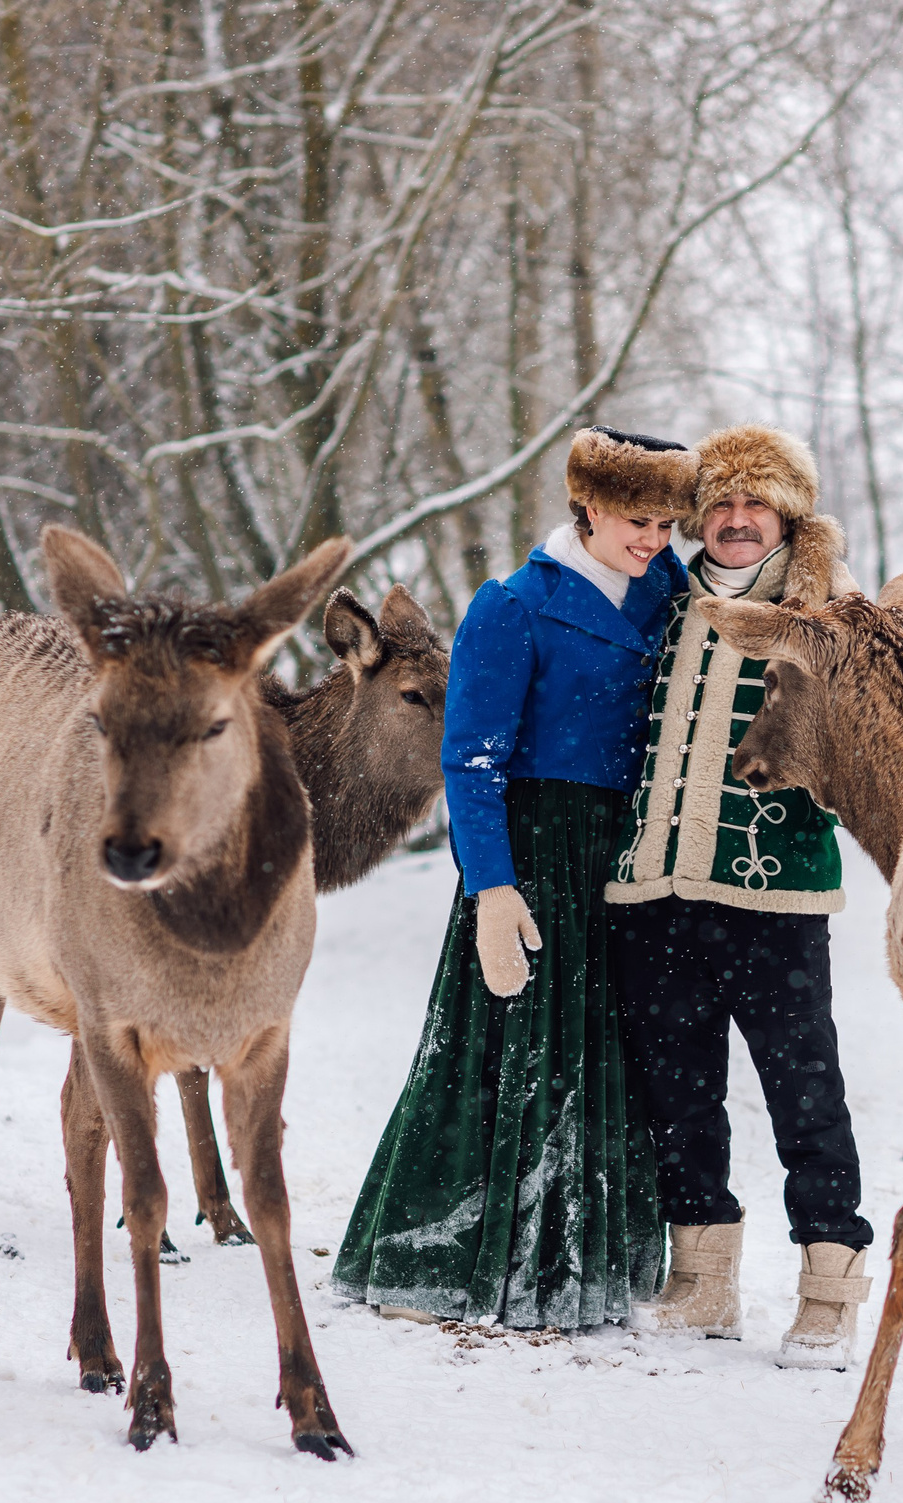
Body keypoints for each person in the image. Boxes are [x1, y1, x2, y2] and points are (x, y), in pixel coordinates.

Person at [334, 427, 695, 1330]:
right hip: (534, 855)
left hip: (629, 856)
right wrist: (491, 887)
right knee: (497, 1054)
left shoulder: (677, 598)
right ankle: (441, 1252)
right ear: (589, 509)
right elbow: (472, 760)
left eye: (666, 521)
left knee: (607, 1056)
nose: (654, 538)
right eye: (636, 520)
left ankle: (588, 1260)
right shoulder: (513, 606)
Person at [605, 425, 875, 1369]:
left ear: (786, 515)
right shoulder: (664, 603)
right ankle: (705, 1281)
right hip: (658, 884)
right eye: (719, 503)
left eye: (754, 504)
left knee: (806, 1093)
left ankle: (830, 1290)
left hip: (775, 895)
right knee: (680, 1092)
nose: (734, 519)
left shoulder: (829, 609)